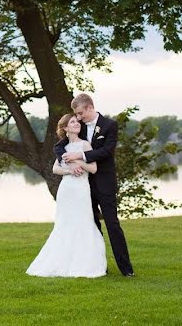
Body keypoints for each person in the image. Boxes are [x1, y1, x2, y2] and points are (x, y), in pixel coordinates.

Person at [54, 93, 135, 277]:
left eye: (81, 113)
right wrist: (68, 162)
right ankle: (98, 265)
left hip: (104, 183)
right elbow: (60, 147)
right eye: (77, 115)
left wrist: (80, 157)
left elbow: (107, 151)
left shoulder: (109, 125)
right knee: (91, 226)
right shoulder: (78, 127)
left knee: (112, 225)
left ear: (90, 107)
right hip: (83, 187)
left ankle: (126, 269)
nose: (79, 117)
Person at [26, 113, 107, 278]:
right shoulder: (63, 148)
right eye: (72, 122)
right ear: (65, 128)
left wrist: (77, 162)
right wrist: (69, 170)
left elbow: (93, 169)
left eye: (77, 122)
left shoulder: (85, 145)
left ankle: (84, 263)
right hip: (67, 189)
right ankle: (61, 262)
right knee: (65, 224)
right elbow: (55, 169)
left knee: (83, 223)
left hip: (81, 189)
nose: (77, 124)